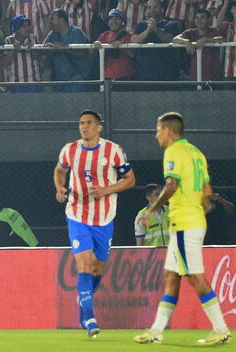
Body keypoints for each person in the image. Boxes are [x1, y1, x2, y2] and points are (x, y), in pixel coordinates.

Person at [133, 112, 232, 345]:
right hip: (193, 221)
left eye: (158, 130)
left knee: (195, 277)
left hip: (185, 224)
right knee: (171, 276)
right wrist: (200, 210)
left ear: (168, 131)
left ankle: (220, 328)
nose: (156, 135)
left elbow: (171, 185)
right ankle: (156, 330)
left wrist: (150, 210)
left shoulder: (174, 151)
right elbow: (207, 193)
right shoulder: (196, 153)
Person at [53, 109, 136, 337]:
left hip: (104, 218)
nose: (84, 126)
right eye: (81, 123)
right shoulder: (70, 149)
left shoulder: (113, 150)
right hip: (77, 215)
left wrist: (107, 190)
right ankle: (89, 318)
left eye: (89, 123)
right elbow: (59, 170)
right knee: (85, 266)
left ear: (99, 127)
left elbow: (130, 179)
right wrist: (59, 187)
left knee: (98, 269)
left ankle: (84, 298)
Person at [131, 0, 181, 82]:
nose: (152, 10)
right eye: (149, 7)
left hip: (166, 72)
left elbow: (171, 39)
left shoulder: (171, 24)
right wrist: (147, 31)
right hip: (144, 72)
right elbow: (134, 40)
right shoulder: (141, 25)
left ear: (162, 9)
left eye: (155, 7)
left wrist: (156, 29)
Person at [44, 9, 91, 92]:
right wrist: (47, 48)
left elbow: (81, 54)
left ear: (61, 20)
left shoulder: (76, 32)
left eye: (52, 19)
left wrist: (63, 48)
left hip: (76, 80)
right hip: (58, 81)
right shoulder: (52, 34)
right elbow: (40, 52)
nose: (50, 22)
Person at [172, 8, 223, 81]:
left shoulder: (214, 31)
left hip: (214, 76)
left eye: (202, 17)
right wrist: (186, 41)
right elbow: (175, 39)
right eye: (196, 18)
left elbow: (221, 39)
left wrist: (205, 39)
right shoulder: (190, 32)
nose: (199, 21)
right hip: (195, 76)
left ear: (208, 20)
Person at [1, 14, 42, 92]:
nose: (27, 29)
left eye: (28, 26)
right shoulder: (9, 40)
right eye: (24, 27)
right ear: (16, 29)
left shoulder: (33, 38)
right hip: (15, 83)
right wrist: (13, 49)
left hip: (33, 82)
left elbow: (39, 58)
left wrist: (32, 50)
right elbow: (5, 62)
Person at [93, 9, 134, 81]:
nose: (113, 21)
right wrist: (95, 45)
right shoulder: (104, 35)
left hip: (125, 76)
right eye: (111, 19)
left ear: (122, 22)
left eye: (117, 19)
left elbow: (133, 54)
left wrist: (122, 45)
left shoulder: (128, 35)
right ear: (108, 22)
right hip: (106, 76)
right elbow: (92, 52)